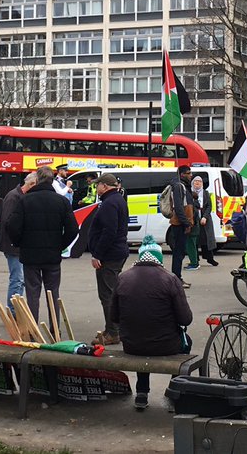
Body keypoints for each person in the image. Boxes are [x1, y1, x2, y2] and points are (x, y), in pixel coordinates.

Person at [109, 235, 192, 411]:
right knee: (186, 343)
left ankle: (141, 392)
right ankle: (173, 393)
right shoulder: (170, 279)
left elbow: (114, 317)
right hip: (166, 345)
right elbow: (186, 319)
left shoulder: (123, 278)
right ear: (159, 259)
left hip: (131, 344)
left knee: (142, 334)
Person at [5, 165, 79, 325]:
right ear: (52, 180)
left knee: (32, 293)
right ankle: (54, 329)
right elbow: (73, 229)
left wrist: (19, 243)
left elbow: (12, 226)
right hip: (52, 255)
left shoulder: (25, 200)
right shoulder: (61, 201)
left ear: (37, 180)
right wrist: (60, 245)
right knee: (53, 292)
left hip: (30, 255)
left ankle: (33, 330)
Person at [86, 173, 127, 346]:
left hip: (109, 255)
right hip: (116, 252)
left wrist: (98, 255)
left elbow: (109, 231)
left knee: (107, 294)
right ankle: (112, 328)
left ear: (105, 186)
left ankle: (113, 332)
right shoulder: (116, 200)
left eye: (98, 185)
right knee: (112, 292)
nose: (96, 188)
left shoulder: (110, 203)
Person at [0, 173, 36, 309]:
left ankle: (16, 309)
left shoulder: (20, 196)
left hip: (15, 244)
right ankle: (13, 310)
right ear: (31, 184)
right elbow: (8, 222)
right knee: (17, 279)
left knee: (19, 279)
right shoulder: (14, 197)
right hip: (13, 245)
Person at [165, 165, 195, 287]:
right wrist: (186, 223)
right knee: (178, 252)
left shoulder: (182, 186)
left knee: (180, 252)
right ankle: (176, 279)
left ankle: (176, 278)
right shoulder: (178, 186)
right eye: (189, 173)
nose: (191, 175)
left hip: (181, 222)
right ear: (182, 174)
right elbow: (178, 207)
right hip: (179, 224)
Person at [186, 176, 220, 269]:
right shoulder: (189, 193)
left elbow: (209, 206)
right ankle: (195, 259)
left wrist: (205, 217)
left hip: (205, 219)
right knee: (194, 240)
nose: (198, 183)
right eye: (196, 181)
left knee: (206, 239)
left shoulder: (205, 193)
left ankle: (210, 258)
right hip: (194, 219)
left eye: (200, 182)